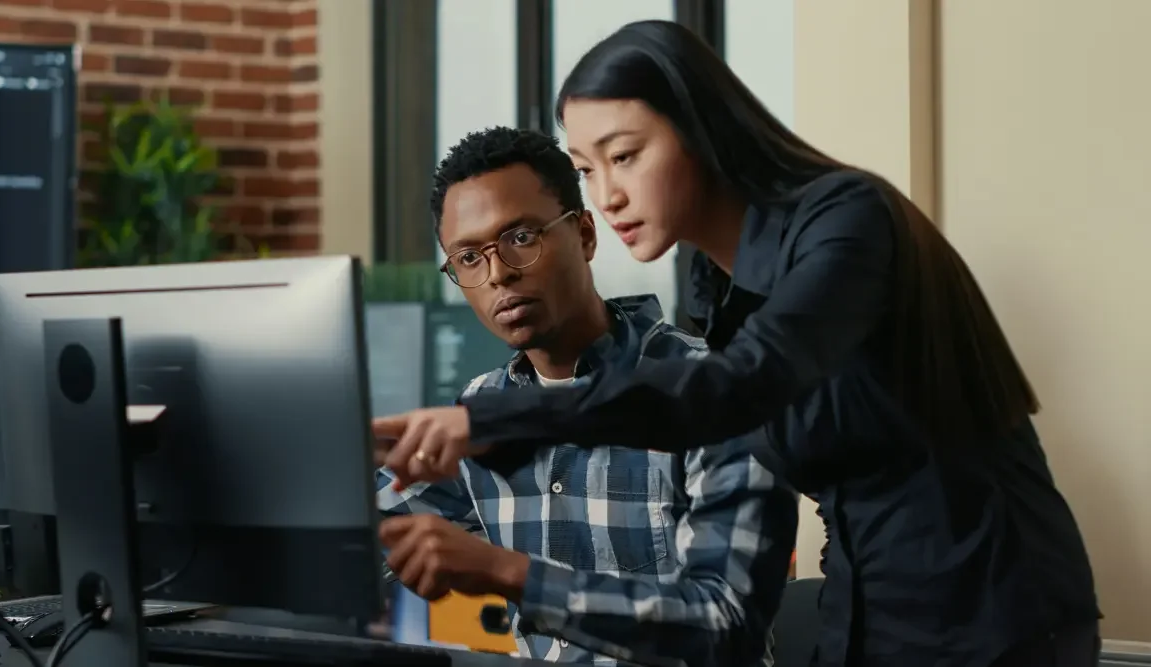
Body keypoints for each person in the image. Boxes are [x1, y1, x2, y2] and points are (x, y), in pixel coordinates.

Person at [374, 20, 1100, 667]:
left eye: (625, 156)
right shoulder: (715, 288)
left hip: (998, 615)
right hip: (871, 610)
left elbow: (734, 391)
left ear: (701, 130)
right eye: (589, 169)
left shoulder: (847, 221)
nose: (608, 196)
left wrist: (486, 426)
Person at [375, 126, 797, 667]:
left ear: (585, 236)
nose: (499, 273)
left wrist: (504, 571)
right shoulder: (478, 408)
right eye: (469, 258)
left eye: (521, 238)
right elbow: (359, 536)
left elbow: (722, 630)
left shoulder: (710, 389)